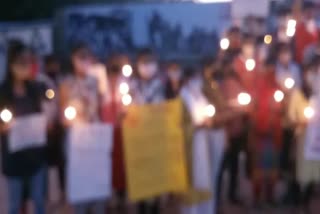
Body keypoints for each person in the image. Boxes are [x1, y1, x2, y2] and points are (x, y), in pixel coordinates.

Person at [0, 41, 47, 214]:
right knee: (14, 204)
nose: (26, 64)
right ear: (11, 63)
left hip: (35, 155)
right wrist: (3, 127)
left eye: (28, 60)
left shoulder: (35, 89)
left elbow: (43, 115)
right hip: (14, 157)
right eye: (22, 60)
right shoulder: (3, 92)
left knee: (39, 200)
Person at [59, 43, 103, 214]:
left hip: (94, 136)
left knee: (95, 179)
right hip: (75, 138)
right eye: (80, 57)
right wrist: (70, 119)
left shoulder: (96, 81)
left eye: (87, 57)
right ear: (73, 59)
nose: (84, 61)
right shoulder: (66, 83)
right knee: (79, 180)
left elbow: (99, 108)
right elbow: (63, 116)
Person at [130, 48, 164, 214]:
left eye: (150, 62)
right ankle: (141, 208)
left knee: (156, 178)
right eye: (143, 62)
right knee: (141, 177)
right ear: (137, 65)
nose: (147, 66)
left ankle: (155, 207)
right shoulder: (131, 86)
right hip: (138, 139)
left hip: (157, 138)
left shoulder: (163, 85)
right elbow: (126, 110)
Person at [287, 62, 318, 212]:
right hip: (303, 138)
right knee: (302, 172)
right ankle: (300, 201)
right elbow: (291, 118)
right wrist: (302, 122)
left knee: (315, 171)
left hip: (317, 139)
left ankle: (309, 200)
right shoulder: (298, 93)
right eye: (310, 72)